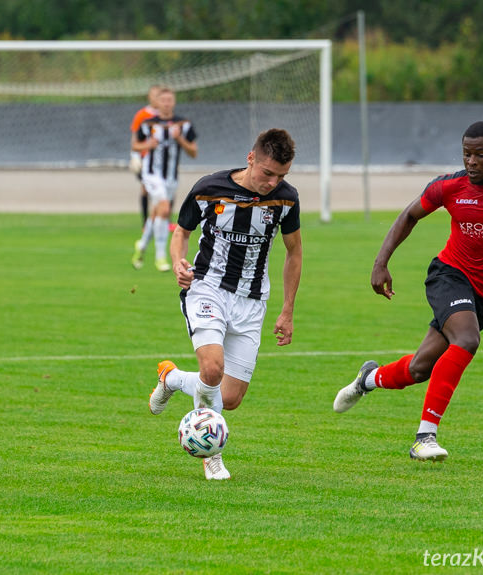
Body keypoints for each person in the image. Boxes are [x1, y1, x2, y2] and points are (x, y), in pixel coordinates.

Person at [333, 121, 483, 462]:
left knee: (420, 369)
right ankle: (425, 437)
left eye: (480, 155)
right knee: (466, 339)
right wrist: (381, 263)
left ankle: (368, 379)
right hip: (448, 275)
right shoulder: (449, 186)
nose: (471, 161)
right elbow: (409, 215)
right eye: (466, 154)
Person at [149, 128, 302, 480]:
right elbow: (181, 232)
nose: (273, 182)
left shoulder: (286, 200)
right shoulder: (210, 188)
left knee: (230, 397)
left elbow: (294, 253)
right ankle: (211, 452)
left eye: (281, 175)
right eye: (268, 173)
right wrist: (178, 263)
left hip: (252, 302)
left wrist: (287, 309)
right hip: (208, 289)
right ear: (251, 158)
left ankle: (171, 379)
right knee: (213, 370)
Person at [131, 86, 198, 272]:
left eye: (170, 100)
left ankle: (142, 245)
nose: (166, 103)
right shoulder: (148, 124)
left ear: (174, 102)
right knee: (164, 208)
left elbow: (193, 152)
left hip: (171, 177)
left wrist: (180, 139)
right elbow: (135, 145)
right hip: (151, 173)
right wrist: (148, 144)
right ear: (157, 103)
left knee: (158, 213)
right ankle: (160, 257)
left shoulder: (183, 124)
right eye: (163, 100)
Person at [129, 84, 163, 227]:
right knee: (146, 188)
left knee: (165, 190)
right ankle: (145, 222)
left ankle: (162, 221)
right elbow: (134, 141)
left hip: (162, 160)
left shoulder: (166, 115)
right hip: (146, 159)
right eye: (154, 95)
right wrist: (135, 157)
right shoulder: (142, 115)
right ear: (149, 97)